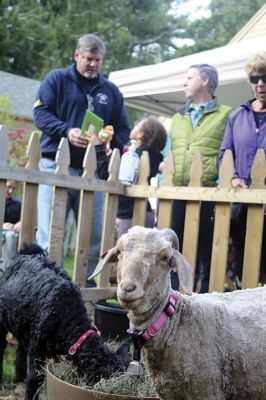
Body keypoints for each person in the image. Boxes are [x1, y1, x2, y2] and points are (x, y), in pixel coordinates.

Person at [33, 34, 130, 278]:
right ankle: (45, 286)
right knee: (50, 234)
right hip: (55, 166)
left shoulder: (110, 91)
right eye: (88, 59)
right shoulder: (57, 79)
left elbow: (123, 129)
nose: (93, 64)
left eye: (98, 60)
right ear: (77, 55)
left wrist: (109, 142)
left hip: (92, 173)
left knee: (94, 236)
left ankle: (84, 291)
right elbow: (40, 114)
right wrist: (67, 130)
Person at [170, 64, 232, 293]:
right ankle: (173, 300)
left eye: (189, 78)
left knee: (204, 252)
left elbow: (229, 151)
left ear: (205, 81)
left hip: (208, 193)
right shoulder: (178, 116)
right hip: (176, 192)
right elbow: (170, 151)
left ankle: (202, 300)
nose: (184, 83)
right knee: (173, 251)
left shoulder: (226, 114)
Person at [219, 52, 266, 288]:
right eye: (255, 79)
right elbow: (225, 154)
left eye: (265, 78)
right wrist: (234, 178)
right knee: (242, 260)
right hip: (241, 203)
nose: (261, 84)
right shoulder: (236, 116)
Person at [1, 180, 21, 273]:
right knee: (10, 236)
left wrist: (20, 224)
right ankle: (10, 272)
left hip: (14, 233)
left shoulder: (17, 204)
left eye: (13, 188)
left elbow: (22, 220)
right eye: (9, 187)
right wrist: (2, 225)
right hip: (5, 233)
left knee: (12, 236)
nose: (11, 191)